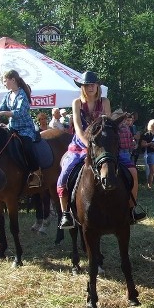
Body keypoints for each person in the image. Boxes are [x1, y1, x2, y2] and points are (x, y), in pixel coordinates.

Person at [57, 71, 111, 228]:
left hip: (101, 143)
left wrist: (100, 144)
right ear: (82, 87)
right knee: (64, 176)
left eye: (93, 84)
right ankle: (66, 214)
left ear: (97, 86)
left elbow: (107, 125)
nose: (90, 87)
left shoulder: (105, 102)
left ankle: (129, 206)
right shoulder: (77, 103)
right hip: (81, 144)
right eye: (87, 85)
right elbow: (78, 129)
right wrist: (88, 144)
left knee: (127, 169)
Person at [0, 69, 39, 172]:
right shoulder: (8, 95)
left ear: (13, 80)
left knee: (27, 147)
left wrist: (2, 113)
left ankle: (35, 171)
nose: (3, 84)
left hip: (25, 129)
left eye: (5, 81)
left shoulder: (22, 95)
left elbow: (19, 112)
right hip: (12, 128)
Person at [112, 110, 146, 223]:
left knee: (133, 173)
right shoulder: (116, 128)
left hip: (126, 153)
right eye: (122, 118)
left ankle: (132, 208)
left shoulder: (125, 128)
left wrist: (133, 145)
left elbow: (129, 143)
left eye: (125, 118)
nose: (124, 120)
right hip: (118, 153)